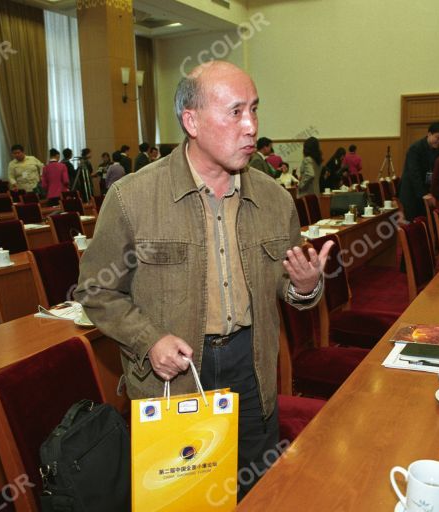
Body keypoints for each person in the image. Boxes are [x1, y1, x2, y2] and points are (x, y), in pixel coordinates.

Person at [74, 61, 332, 500]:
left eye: (254, 109)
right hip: (173, 381)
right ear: (190, 121)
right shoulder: (133, 198)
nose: (250, 125)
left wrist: (304, 287)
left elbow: (284, 287)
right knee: (183, 500)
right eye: (234, 112)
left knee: (255, 490)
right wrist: (149, 339)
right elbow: (96, 290)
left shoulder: (273, 199)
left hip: (252, 368)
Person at [399, 122, 439, 220]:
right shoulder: (415, 149)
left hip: (427, 192)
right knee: (413, 223)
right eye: (437, 137)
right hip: (412, 192)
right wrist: (424, 194)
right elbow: (414, 174)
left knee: (426, 222)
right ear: (429, 134)